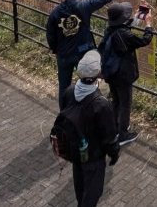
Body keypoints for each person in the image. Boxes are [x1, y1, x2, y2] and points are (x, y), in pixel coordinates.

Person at [46, 0, 131, 108]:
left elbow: (50, 34)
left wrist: (55, 49)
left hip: (64, 54)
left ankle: (64, 113)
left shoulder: (55, 13)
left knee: (64, 86)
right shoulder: (84, 6)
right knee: (88, 83)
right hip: (83, 52)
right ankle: (87, 110)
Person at [59, 50, 119, 207]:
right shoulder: (102, 104)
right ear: (98, 73)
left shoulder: (69, 92)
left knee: (80, 189)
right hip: (94, 156)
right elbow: (109, 137)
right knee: (93, 193)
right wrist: (114, 153)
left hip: (76, 151)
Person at [100, 2, 153, 145]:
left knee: (116, 101)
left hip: (111, 72)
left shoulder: (110, 29)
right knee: (125, 104)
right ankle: (123, 134)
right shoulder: (124, 34)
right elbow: (144, 40)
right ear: (122, 19)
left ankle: (116, 128)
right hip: (123, 74)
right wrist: (148, 24)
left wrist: (136, 17)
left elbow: (125, 27)